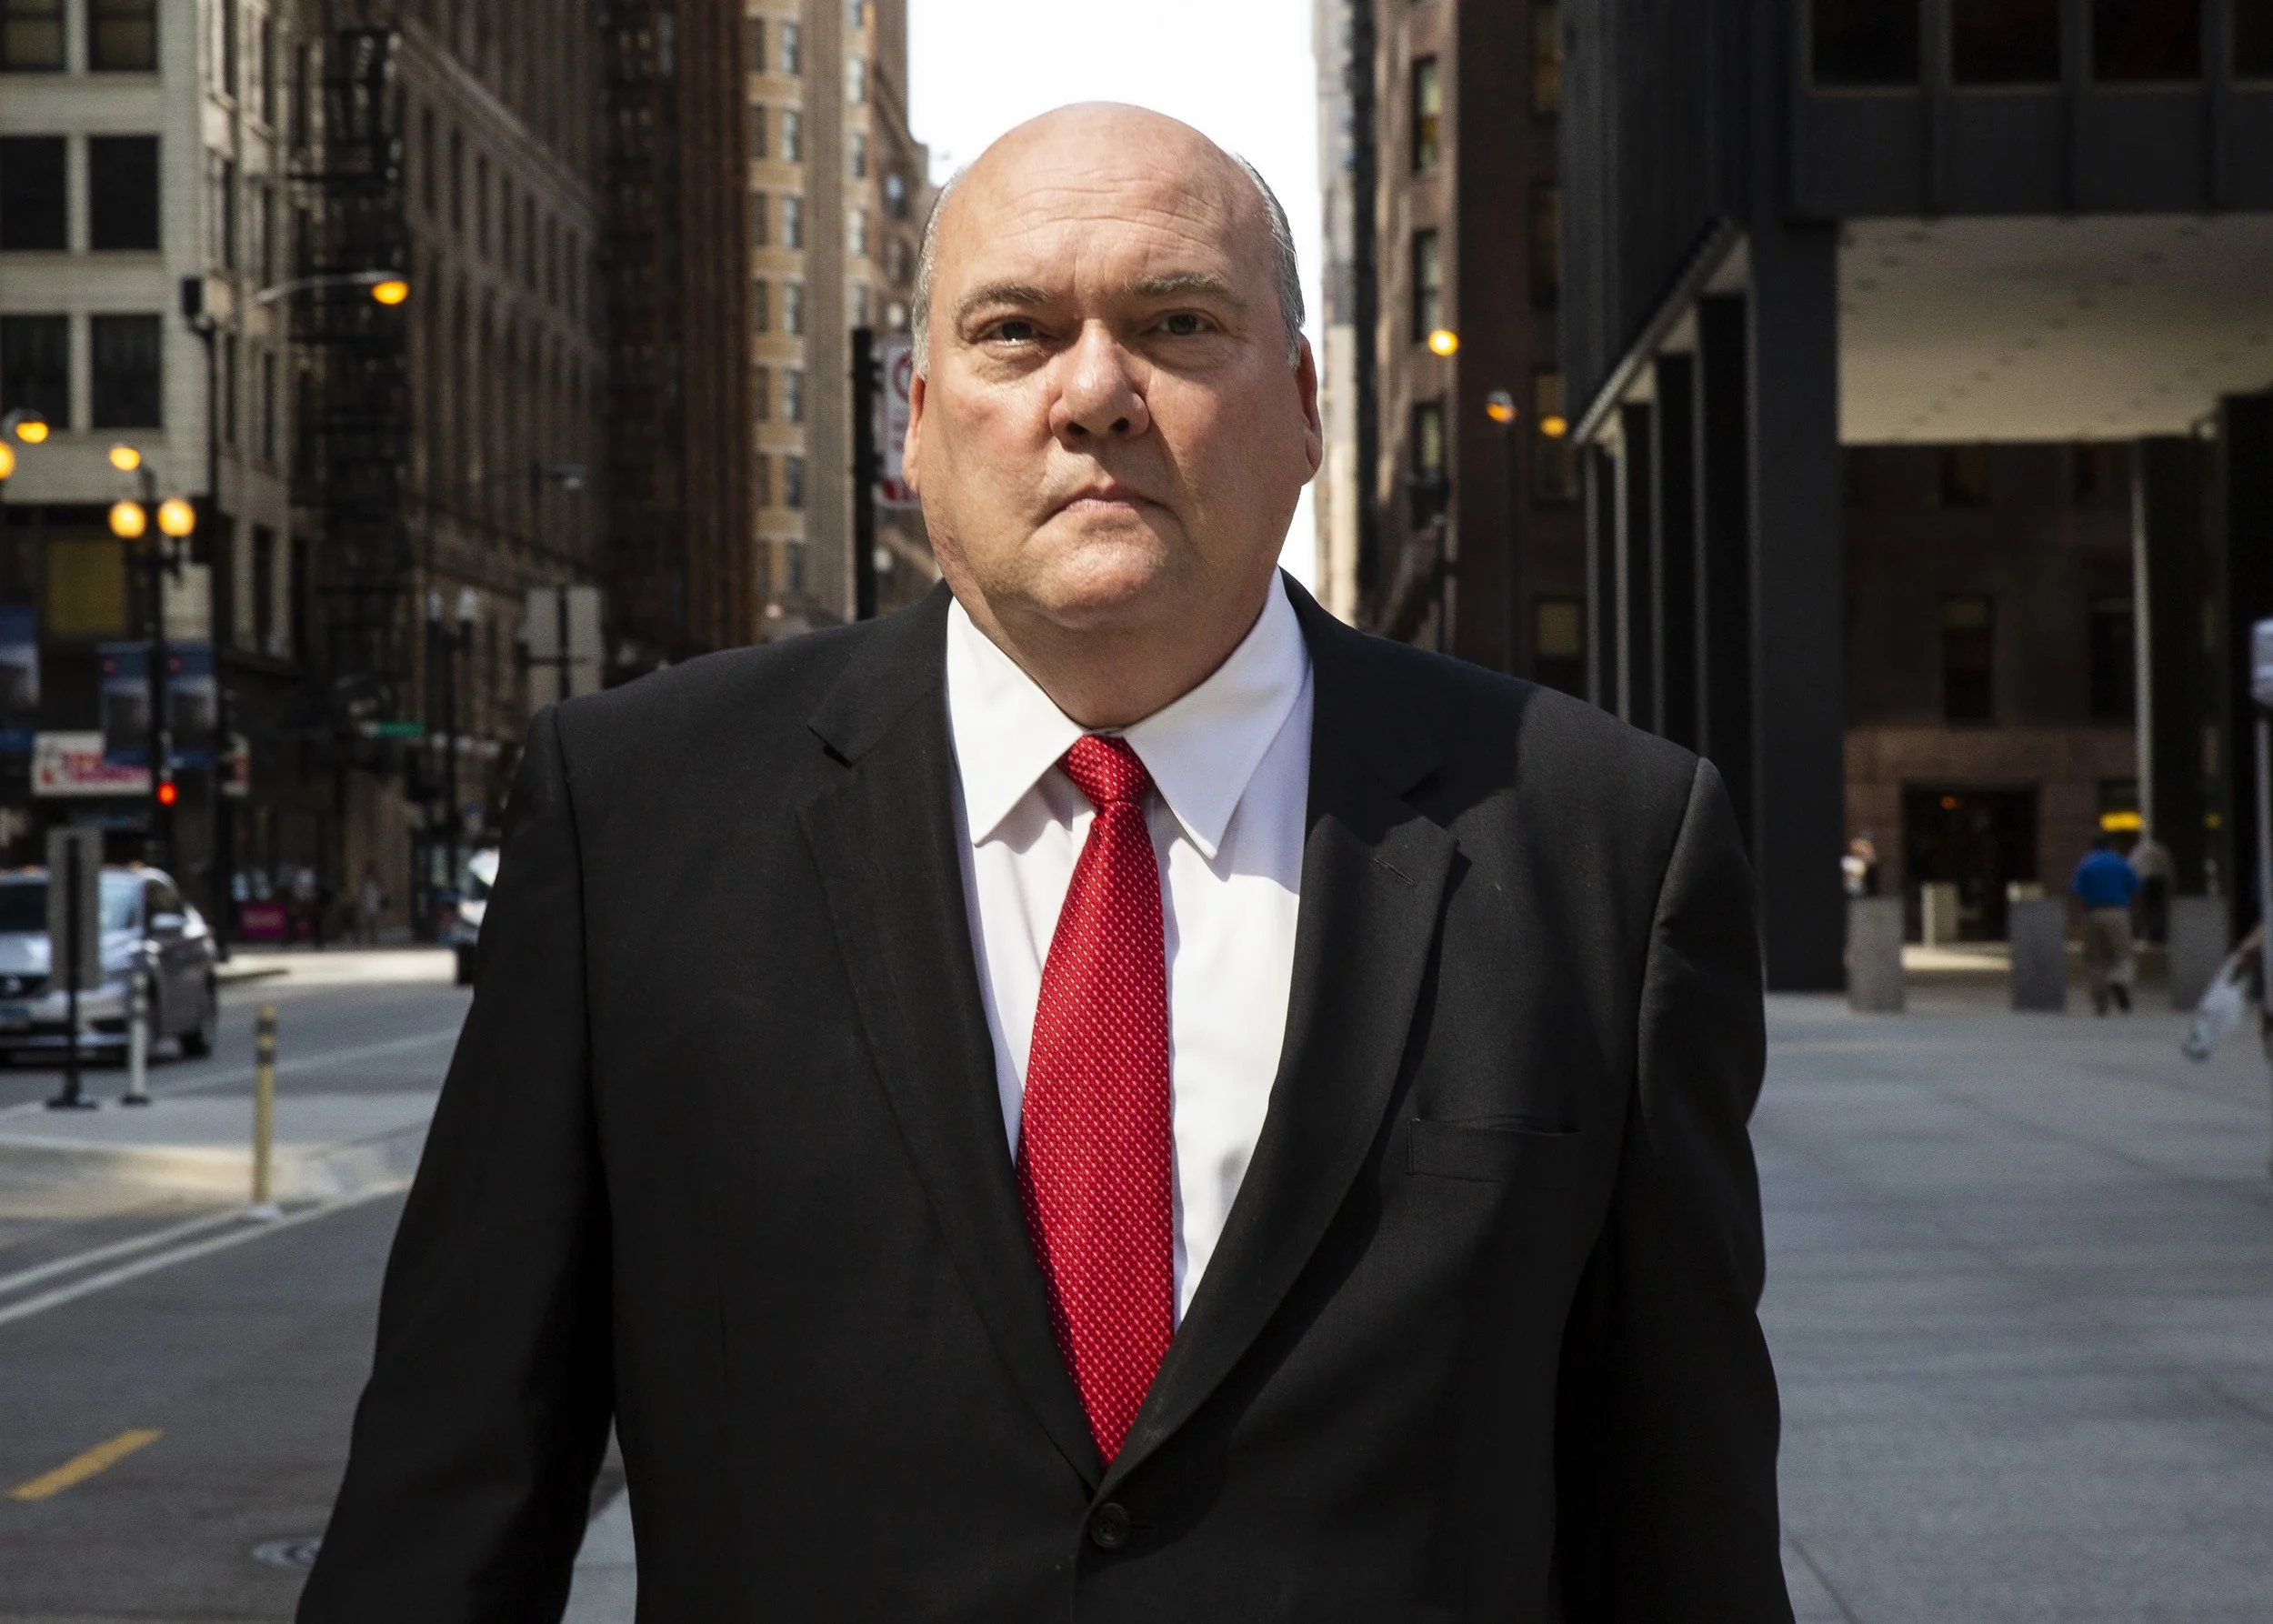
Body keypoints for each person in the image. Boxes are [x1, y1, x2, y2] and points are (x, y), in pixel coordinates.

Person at [300, 105, 1791, 1621]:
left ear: (1304, 405)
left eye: (1178, 323)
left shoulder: (1601, 840)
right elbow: (452, 1499)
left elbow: (1686, 1532)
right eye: (1017, 332)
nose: (1095, 394)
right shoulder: (636, 818)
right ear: (919, 416)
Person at [2072, 834, 2141, 1014]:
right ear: (2111, 845)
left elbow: (2076, 890)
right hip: (2117, 911)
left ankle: (2100, 1001)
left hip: (2093, 912)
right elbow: (2134, 886)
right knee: (2122, 954)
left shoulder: (2086, 864)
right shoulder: (2120, 862)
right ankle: (2118, 980)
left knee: (2095, 958)